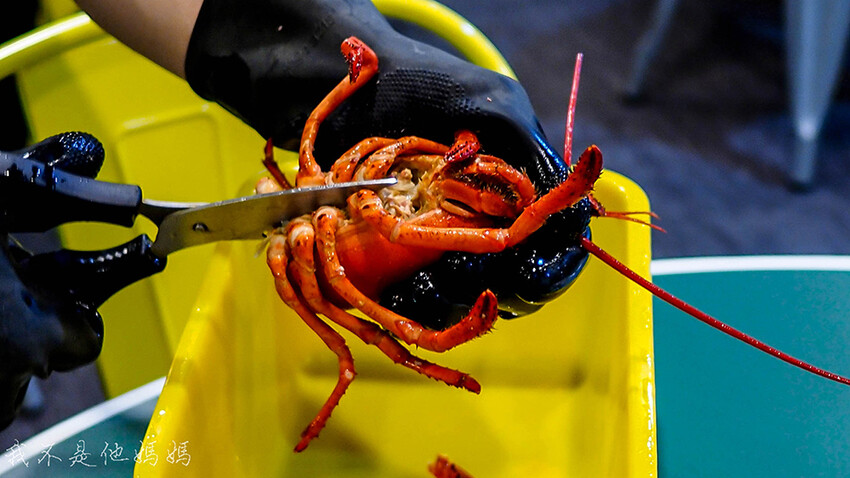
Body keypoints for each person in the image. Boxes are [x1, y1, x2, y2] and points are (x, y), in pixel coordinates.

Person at [1, 0, 580, 428]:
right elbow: (402, 235)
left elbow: (404, 166)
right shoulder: (389, 197)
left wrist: (297, 43)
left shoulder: (400, 173)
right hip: (327, 233)